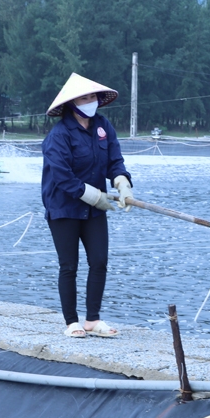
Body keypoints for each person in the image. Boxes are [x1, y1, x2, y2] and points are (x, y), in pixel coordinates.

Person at [41, 73, 134, 339]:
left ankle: (92, 319)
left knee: (99, 261)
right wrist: (92, 195)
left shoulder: (103, 127)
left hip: (95, 209)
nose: (90, 101)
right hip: (64, 208)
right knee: (69, 265)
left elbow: (115, 160)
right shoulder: (58, 135)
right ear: (72, 103)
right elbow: (62, 176)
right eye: (84, 97)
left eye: (92, 96)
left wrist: (121, 182)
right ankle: (71, 322)